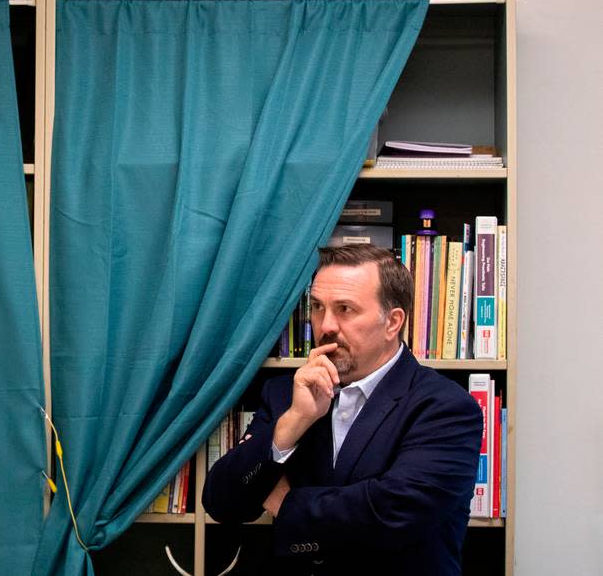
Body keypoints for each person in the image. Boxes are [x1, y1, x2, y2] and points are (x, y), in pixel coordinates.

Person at [202, 243, 484, 575]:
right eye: (318, 307)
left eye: (345, 309)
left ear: (393, 322)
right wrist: (293, 422)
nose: (326, 326)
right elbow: (223, 502)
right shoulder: (286, 394)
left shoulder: (445, 406)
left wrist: (285, 504)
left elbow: (392, 513)